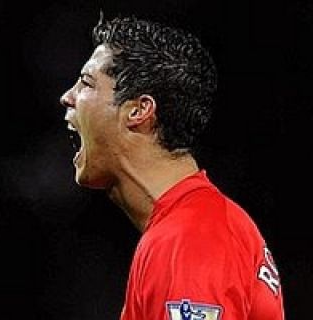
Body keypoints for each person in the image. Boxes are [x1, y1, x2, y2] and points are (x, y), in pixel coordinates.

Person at [59, 12, 285, 320]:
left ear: (138, 110)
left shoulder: (191, 238)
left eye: (86, 83)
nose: (67, 97)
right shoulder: (199, 225)